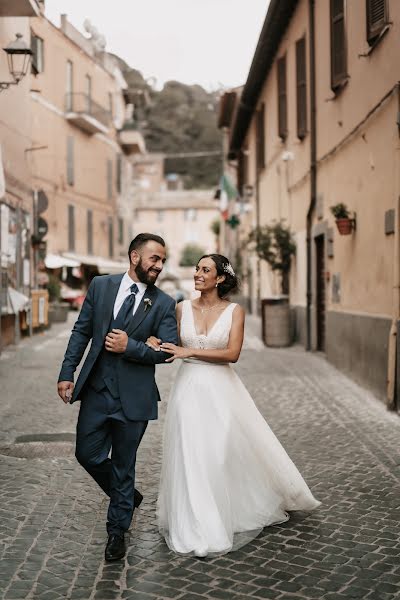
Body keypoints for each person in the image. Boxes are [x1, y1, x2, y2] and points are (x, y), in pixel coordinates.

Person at [146, 253, 320, 557]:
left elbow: (232, 353)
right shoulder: (180, 308)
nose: (197, 274)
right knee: (190, 452)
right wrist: (153, 342)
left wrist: (189, 351)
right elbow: (168, 342)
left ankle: (230, 507)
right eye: (197, 269)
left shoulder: (234, 312)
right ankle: (197, 520)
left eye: (205, 270)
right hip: (187, 389)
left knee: (217, 453)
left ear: (220, 278)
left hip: (222, 390)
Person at [57, 233, 178, 562]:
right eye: (155, 258)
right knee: (88, 454)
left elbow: (167, 351)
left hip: (134, 398)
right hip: (97, 390)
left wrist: (132, 347)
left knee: (124, 467)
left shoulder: (164, 303)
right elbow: (82, 330)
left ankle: (116, 532)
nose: (159, 265)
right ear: (135, 257)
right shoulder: (100, 286)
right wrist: (67, 373)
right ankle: (128, 498)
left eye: (163, 260)